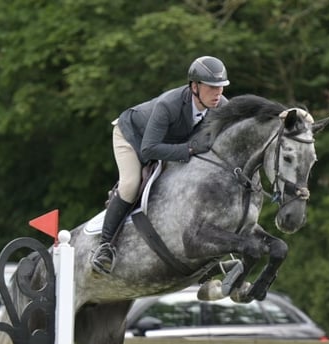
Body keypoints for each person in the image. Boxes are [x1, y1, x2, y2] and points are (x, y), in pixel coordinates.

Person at [90, 55, 230, 275]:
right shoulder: (169, 105)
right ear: (195, 86)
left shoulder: (221, 107)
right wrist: (190, 149)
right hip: (132, 137)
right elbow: (149, 149)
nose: (218, 93)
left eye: (221, 87)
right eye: (212, 87)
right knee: (131, 184)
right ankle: (105, 247)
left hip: (168, 143)